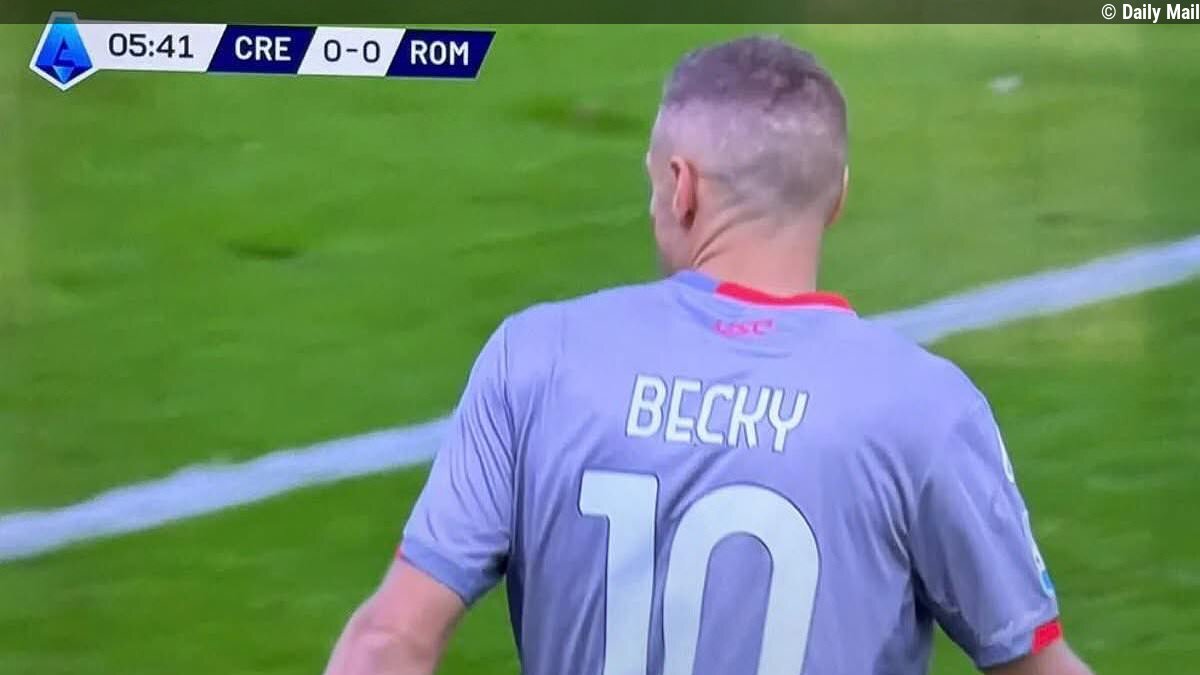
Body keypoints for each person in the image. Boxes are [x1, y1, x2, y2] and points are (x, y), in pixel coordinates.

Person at [323, 36, 1094, 675]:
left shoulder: (535, 359)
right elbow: (1033, 662)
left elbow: (389, 641)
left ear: (680, 186)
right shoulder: (924, 407)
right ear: (837, 197)